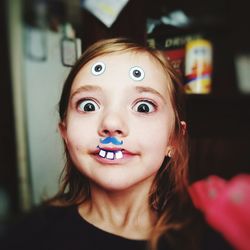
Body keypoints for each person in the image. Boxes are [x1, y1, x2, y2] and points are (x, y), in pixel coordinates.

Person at [1, 37, 233, 250]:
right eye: (88, 105)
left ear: (173, 138)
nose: (112, 123)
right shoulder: (30, 234)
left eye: (143, 106)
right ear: (65, 131)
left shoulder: (203, 243)